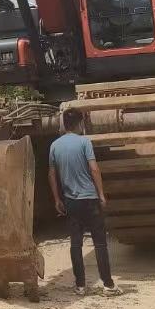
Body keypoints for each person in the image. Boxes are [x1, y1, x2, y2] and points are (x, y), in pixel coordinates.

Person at [48, 107, 119, 297]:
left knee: (76, 244)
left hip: (71, 201)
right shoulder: (84, 142)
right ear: (80, 123)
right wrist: (101, 194)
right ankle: (108, 285)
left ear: (64, 124)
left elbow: (52, 174)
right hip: (90, 199)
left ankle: (80, 285)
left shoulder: (55, 146)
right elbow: (94, 169)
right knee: (100, 243)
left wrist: (57, 199)